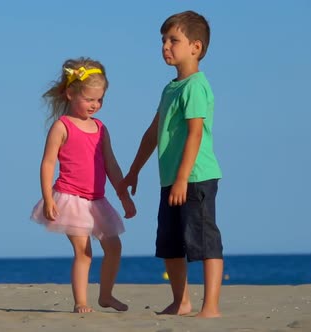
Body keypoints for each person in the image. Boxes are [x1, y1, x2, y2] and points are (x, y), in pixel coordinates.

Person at [119, 11, 223, 318]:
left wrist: (182, 179)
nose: (165, 46)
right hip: (171, 180)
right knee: (170, 244)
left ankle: (211, 306)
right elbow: (153, 133)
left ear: (196, 47)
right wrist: (134, 170)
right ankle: (182, 302)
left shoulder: (195, 86)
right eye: (163, 40)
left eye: (173, 40)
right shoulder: (171, 88)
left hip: (196, 178)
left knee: (204, 242)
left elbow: (194, 135)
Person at [30, 57, 137, 313]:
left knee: (114, 247)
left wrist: (123, 196)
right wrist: (48, 198)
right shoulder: (62, 126)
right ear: (70, 93)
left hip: (97, 200)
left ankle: (106, 295)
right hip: (70, 198)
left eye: (99, 100)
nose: (95, 105)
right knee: (84, 251)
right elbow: (47, 164)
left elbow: (110, 164)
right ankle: (81, 301)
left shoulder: (101, 128)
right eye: (89, 99)